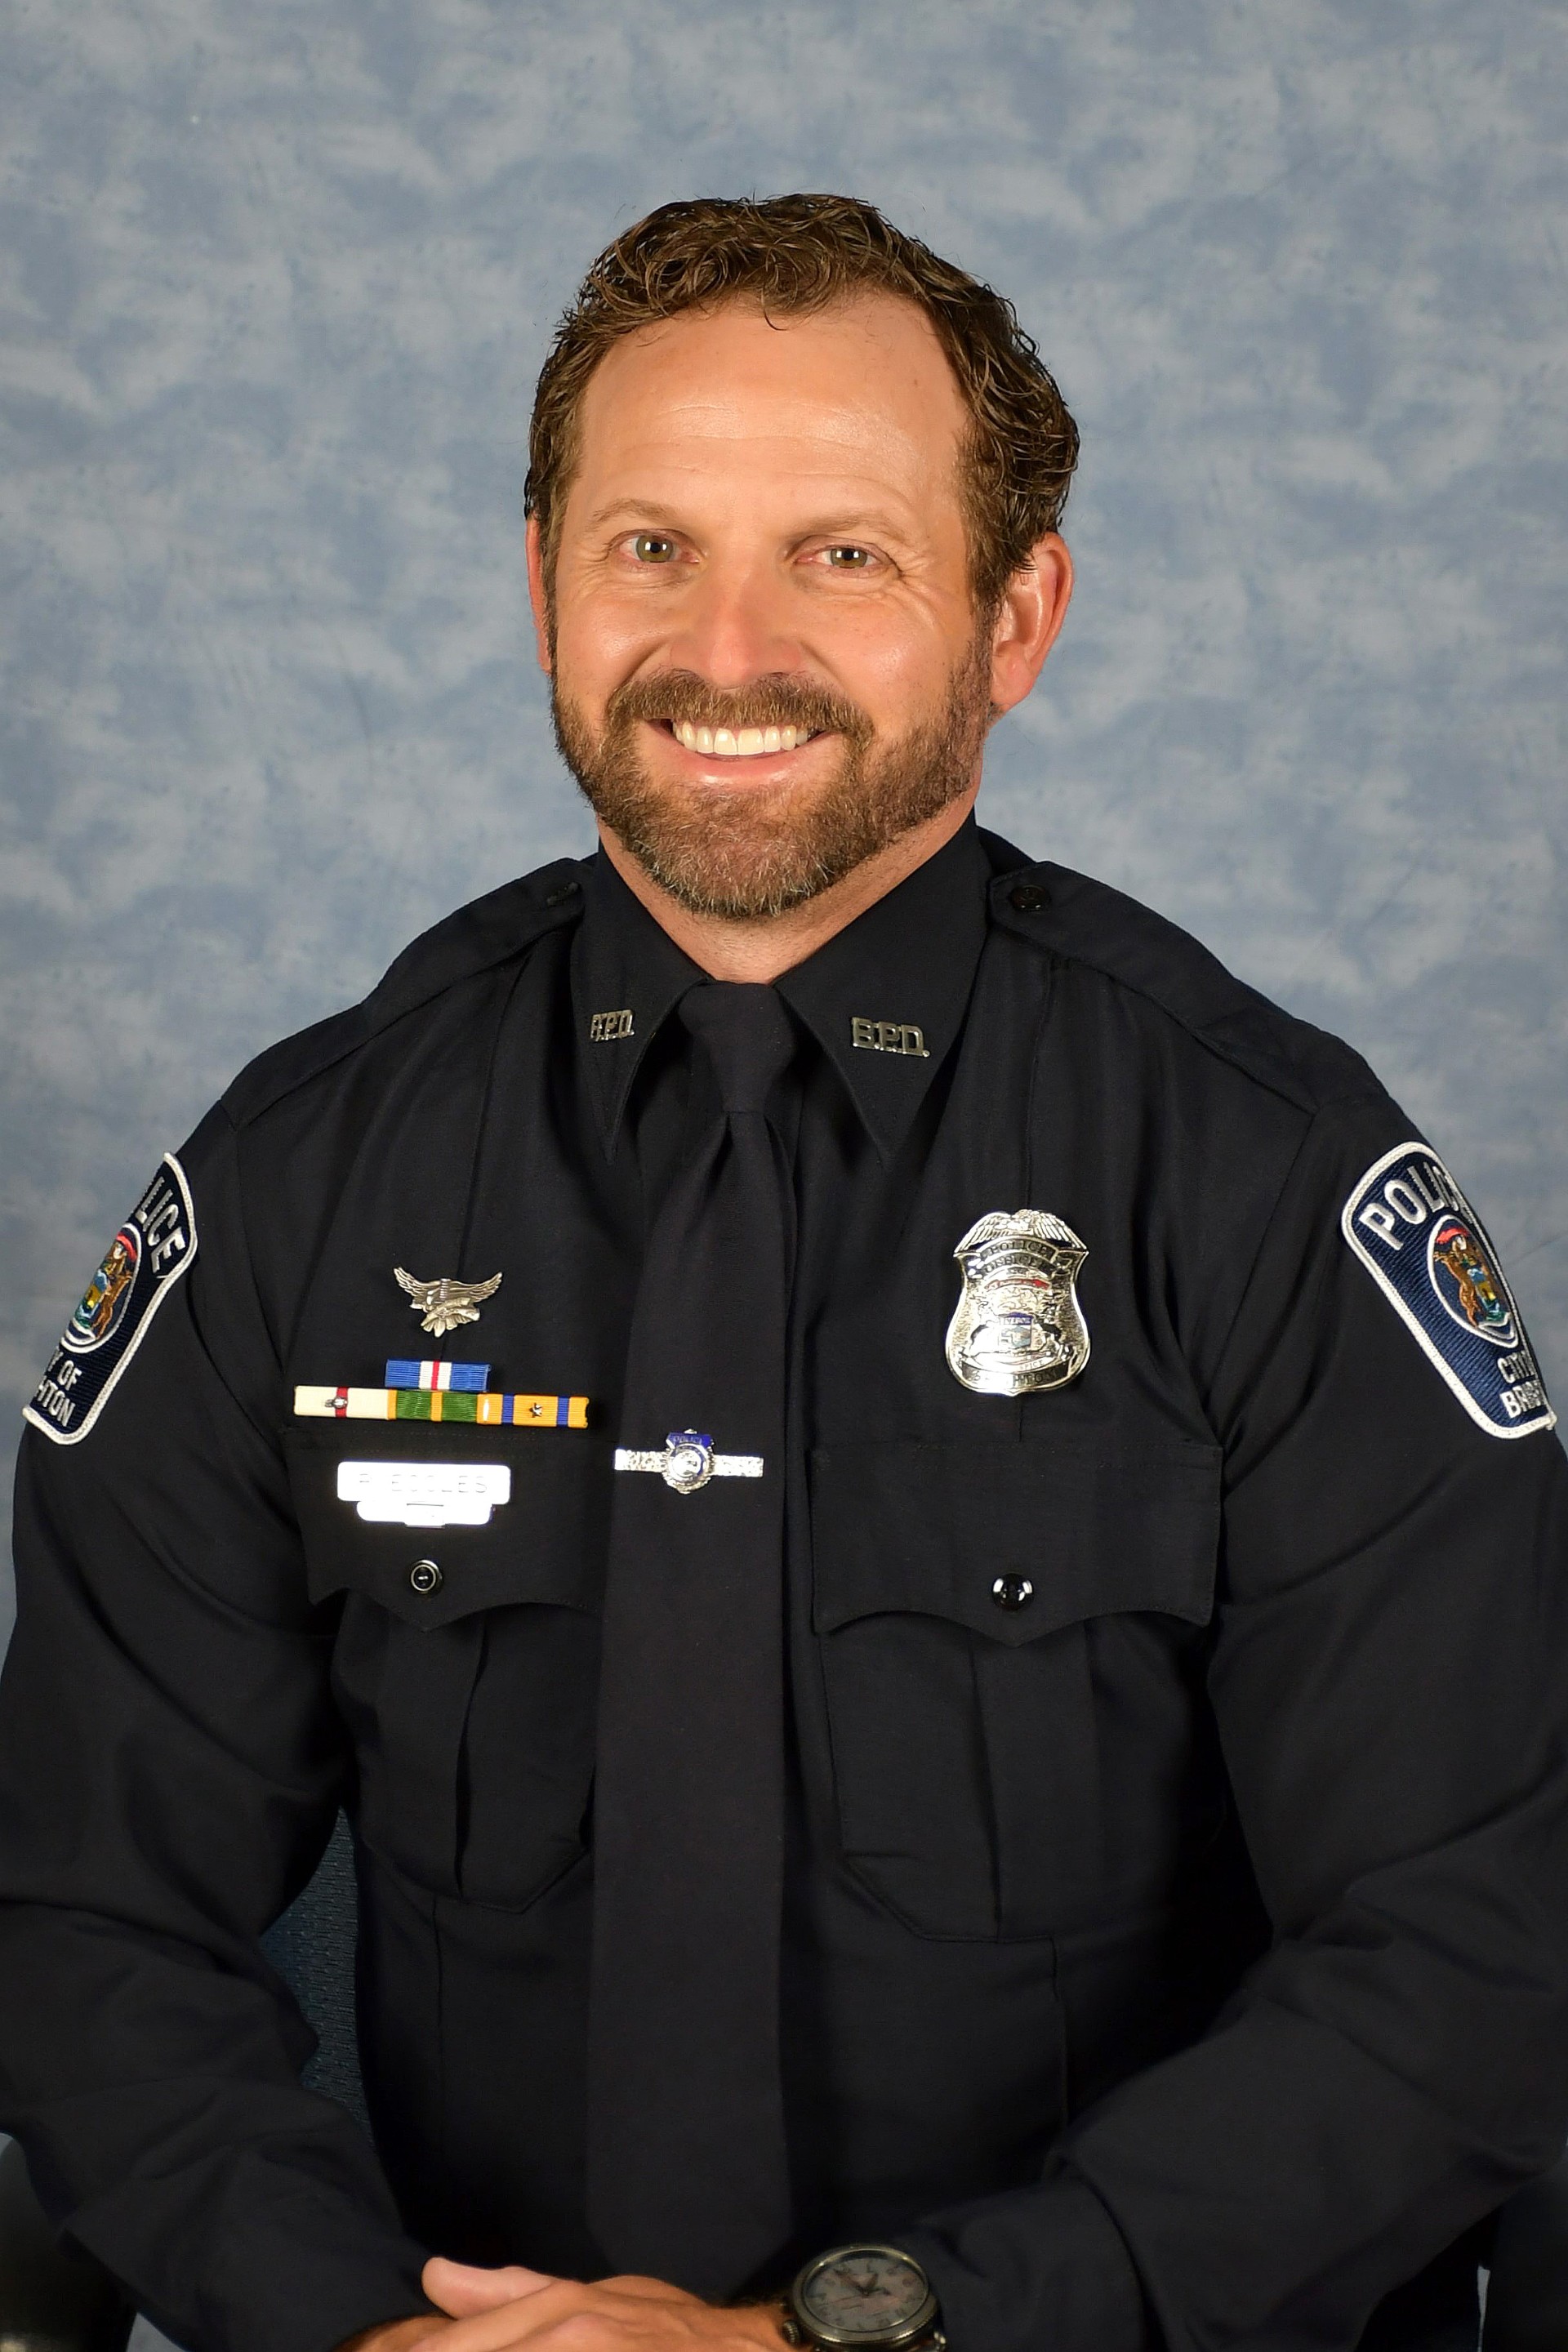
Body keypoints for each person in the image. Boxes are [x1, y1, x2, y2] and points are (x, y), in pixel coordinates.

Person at [1, 191, 1565, 2352]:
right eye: (652, 547)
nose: (727, 650)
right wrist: (366, 2329)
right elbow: (87, 1914)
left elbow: (1479, 1943)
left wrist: (858, 2336)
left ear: (1018, 617)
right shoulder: (300, 1183)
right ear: (541, 585)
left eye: (843, 554)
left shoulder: (1261, 1180)